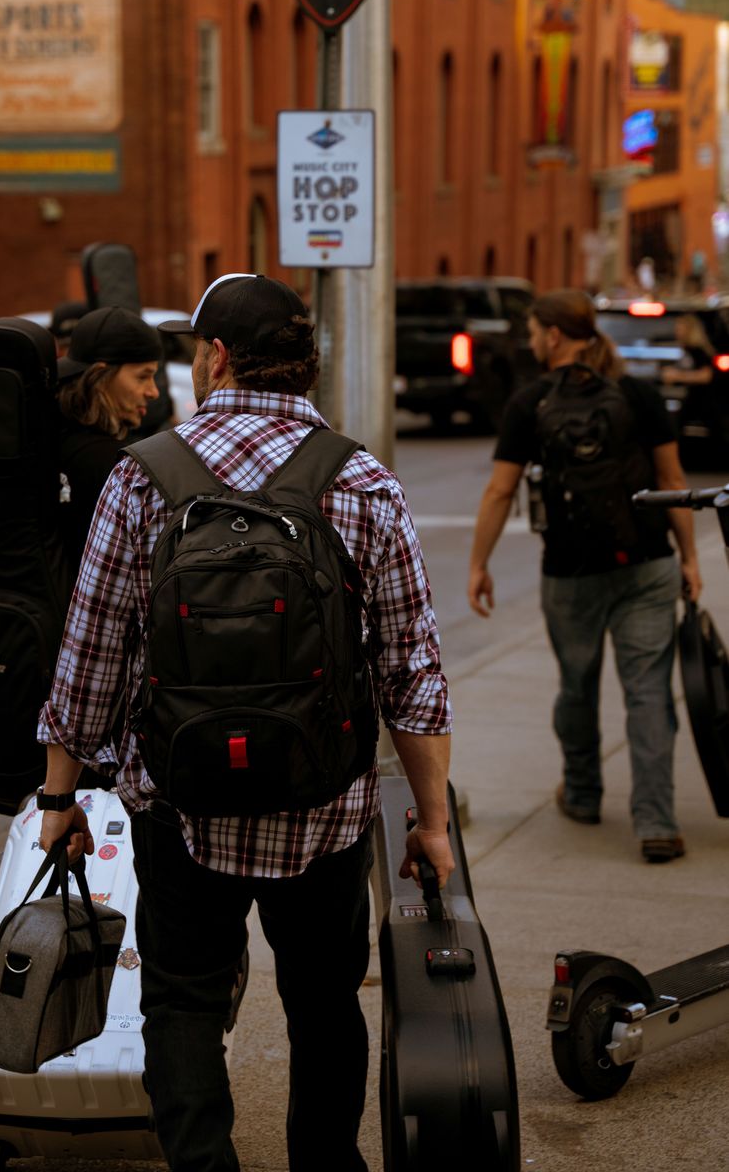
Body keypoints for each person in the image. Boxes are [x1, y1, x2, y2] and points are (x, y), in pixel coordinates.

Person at [36, 273, 454, 1172]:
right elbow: (412, 671)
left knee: (182, 1001)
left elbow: (90, 656)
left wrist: (57, 799)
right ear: (307, 366)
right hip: (322, 807)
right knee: (324, 1003)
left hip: (180, 804)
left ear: (216, 357)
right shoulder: (362, 481)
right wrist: (431, 820)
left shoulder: (141, 477)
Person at [467, 289, 701, 864]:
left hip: (569, 571)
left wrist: (479, 564)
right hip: (646, 562)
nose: (530, 342)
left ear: (554, 336)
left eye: (533, 332)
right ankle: (657, 822)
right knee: (649, 692)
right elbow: (672, 481)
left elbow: (500, 490)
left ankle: (582, 792)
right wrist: (689, 557)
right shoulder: (638, 395)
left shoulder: (530, 402)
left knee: (577, 685)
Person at [55, 305, 162, 588]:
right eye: (142, 376)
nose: (153, 391)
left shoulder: (47, 435)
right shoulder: (112, 465)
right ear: (101, 376)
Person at [661, 313, 717, 441]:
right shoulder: (685, 350)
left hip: (702, 404)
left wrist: (676, 375)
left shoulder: (698, 350)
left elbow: (706, 376)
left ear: (690, 329)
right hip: (690, 401)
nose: (676, 332)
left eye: (679, 328)